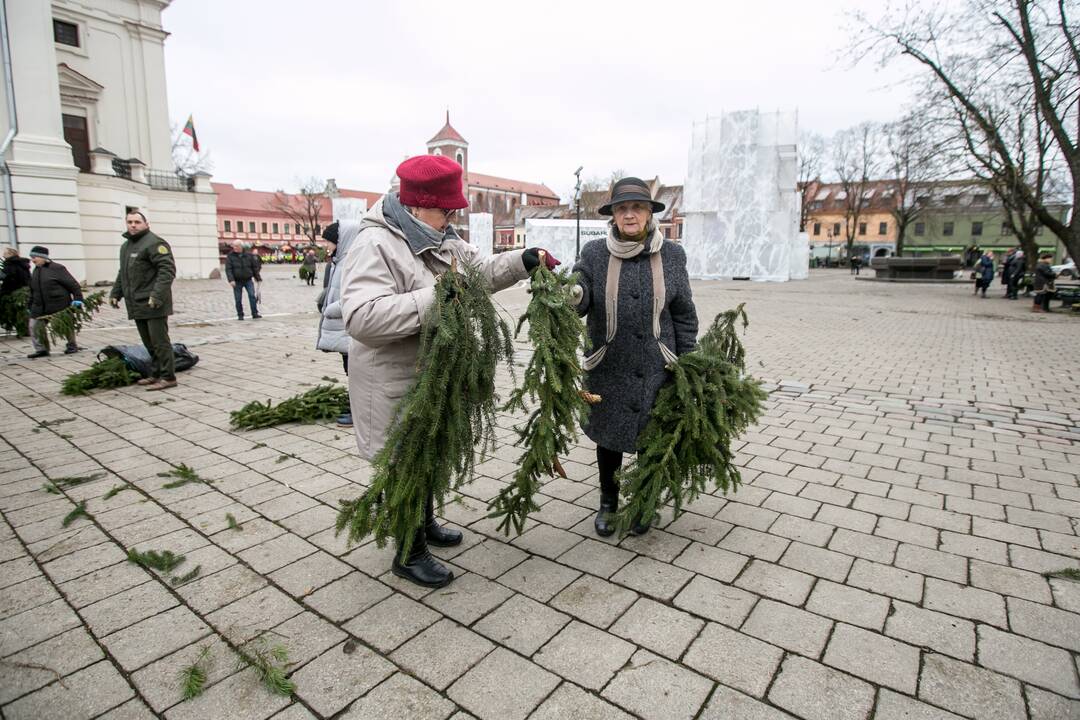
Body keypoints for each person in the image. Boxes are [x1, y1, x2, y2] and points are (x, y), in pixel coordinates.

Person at [339, 155, 557, 588]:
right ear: (417, 206)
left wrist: (523, 260)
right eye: (446, 209)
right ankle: (408, 551)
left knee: (428, 455)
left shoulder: (443, 239)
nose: (451, 216)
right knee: (404, 463)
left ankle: (424, 523)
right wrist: (436, 298)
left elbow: (480, 272)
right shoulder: (375, 244)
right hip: (393, 379)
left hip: (431, 374)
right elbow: (361, 317)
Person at [570, 177, 699, 538]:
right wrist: (574, 291)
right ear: (612, 216)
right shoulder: (594, 253)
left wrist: (688, 364)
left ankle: (643, 500)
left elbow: (684, 313)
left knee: (650, 436)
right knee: (608, 437)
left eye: (636, 207)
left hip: (659, 363)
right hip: (609, 363)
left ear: (648, 213)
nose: (629, 214)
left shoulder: (672, 255)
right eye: (622, 208)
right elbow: (580, 296)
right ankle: (608, 503)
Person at [109, 211, 178, 390]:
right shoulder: (126, 247)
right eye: (130, 222)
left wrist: (157, 295)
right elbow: (122, 274)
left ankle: (168, 377)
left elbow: (167, 271)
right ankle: (155, 374)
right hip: (136, 302)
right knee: (148, 342)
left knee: (159, 342)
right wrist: (116, 294)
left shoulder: (155, 243)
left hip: (153, 302)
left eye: (137, 222)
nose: (133, 225)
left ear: (146, 224)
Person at [316, 220, 359, 428]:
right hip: (343, 330)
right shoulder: (338, 261)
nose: (327, 246)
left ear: (340, 241)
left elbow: (355, 296)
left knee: (356, 371)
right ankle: (355, 407)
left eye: (329, 242)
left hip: (351, 329)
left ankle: (358, 412)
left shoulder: (353, 262)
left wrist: (329, 309)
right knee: (350, 369)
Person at [25, 246, 83, 358]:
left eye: (34, 257)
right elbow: (33, 290)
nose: (32, 260)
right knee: (34, 326)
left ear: (43, 257)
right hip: (39, 307)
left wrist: (78, 299)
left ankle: (71, 345)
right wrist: (30, 305)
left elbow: (73, 285)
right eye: (31, 257)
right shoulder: (36, 270)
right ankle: (41, 349)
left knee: (66, 326)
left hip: (58, 304)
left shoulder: (57, 268)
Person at [225, 241, 262, 320]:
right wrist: (231, 280)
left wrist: (258, 278)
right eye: (234, 246)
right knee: (238, 298)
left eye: (236, 246)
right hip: (236, 281)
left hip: (248, 279)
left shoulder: (248, 255)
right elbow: (228, 269)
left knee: (252, 296)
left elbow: (254, 268)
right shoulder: (230, 256)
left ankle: (255, 313)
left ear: (241, 247)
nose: (234, 248)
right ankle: (240, 315)